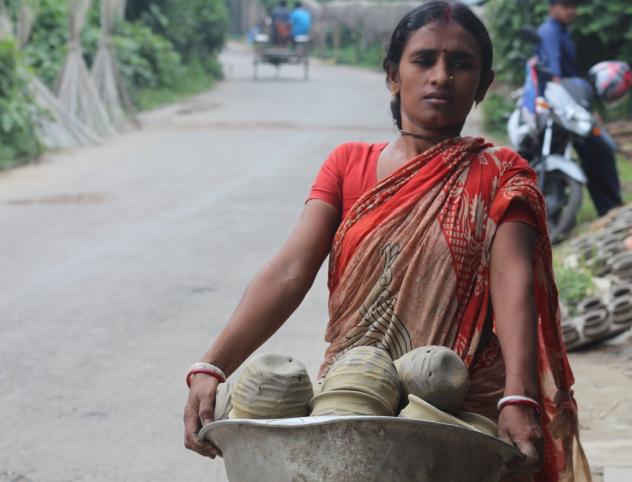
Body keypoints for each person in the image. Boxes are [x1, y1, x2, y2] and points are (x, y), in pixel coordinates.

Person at [183, 2, 590, 481]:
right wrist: (211, 365)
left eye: (461, 64)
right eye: (424, 60)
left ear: (483, 84)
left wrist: (518, 397)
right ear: (393, 74)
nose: (442, 76)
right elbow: (291, 270)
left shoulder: (502, 175)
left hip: (457, 411)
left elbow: (511, 278)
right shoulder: (348, 164)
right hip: (354, 397)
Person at [537, 0, 623, 217]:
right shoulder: (549, 32)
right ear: (552, 6)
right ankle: (610, 207)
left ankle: (609, 208)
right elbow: (555, 75)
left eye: (574, 6)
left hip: (571, 102)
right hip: (564, 104)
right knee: (599, 149)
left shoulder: (563, 32)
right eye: (566, 6)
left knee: (596, 151)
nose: (571, 11)